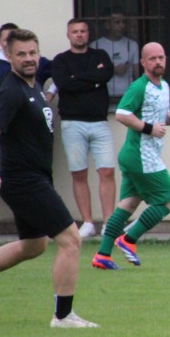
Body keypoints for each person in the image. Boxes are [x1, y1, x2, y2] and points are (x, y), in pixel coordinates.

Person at [0, 29, 97, 327]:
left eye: (33, 53)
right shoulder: (11, 90)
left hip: (35, 176)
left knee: (34, 245)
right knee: (71, 239)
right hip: (23, 180)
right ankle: (63, 316)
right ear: (9, 57)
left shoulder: (33, 86)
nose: (29, 58)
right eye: (21, 54)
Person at [91, 42, 170, 269]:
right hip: (141, 154)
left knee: (128, 204)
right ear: (143, 62)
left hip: (138, 154)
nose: (158, 62)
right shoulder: (139, 87)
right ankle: (129, 239)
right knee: (169, 201)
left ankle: (103, 255)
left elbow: (157, 116)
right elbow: (122, 114)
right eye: (152, 58)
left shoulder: (164, 86)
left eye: (161, 57)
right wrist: (148, 128)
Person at [51, 18, 116, 239]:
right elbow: (64, 84)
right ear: (68, 35)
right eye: (75, 31)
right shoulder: (61, 60)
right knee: (79, 173)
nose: (79, 34)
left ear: (89, 34)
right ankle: (87, 222)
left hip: (100, 122)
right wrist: (92, 81)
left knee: (107, 171)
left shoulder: (101, 56)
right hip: (72, 123)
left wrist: (76, 79)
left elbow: (105, 74)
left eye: (83, 31)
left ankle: (109, 222)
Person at [0, 22, 55, 115]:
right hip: (5, 117)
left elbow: (61, 72)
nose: (9, 44)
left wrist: (50, 93)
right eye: (6, 40)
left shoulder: (35, 61)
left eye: (12, 40)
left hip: (36, 116)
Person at [92, 10, 141, 97]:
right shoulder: (95, 45)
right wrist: (112, 69)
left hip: (128, 95)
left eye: (123, 22)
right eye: (117, 22)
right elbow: (91, 71)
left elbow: (137, 73)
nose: (122, 25)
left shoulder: (132, 44)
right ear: (107, 25)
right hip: (103, 95)